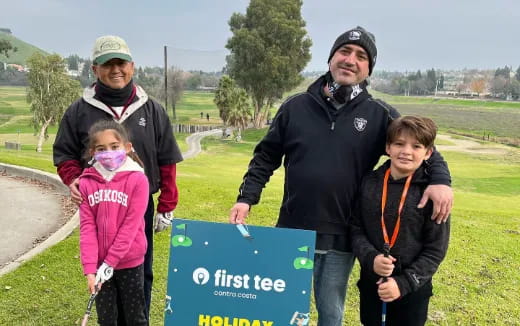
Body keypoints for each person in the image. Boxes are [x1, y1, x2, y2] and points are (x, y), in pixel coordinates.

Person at [228, 26, 453, 326]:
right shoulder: (295, 106)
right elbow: (266, 156)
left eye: (361, 56)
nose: (350, 60)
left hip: (342, 235)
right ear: (331, 58)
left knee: (330, 313)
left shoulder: (379, 114)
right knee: (280, 310)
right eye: (344, 52)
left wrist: (440, 181)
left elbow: (420, 145)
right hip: (293, 230)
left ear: (368, 68)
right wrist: (247, 198)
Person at [53, 35, 183, 320]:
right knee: (104, 272)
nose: (116, 70)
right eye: (107, 64)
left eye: (121, 63)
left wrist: (167, 204)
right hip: (99, 204)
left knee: (140, 269)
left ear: (132, 66)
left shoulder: (152, 109)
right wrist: (73, 179)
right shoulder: (78, 111)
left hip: (139, 204)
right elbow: (64, 154)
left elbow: (167, 158)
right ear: (94, 69)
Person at [350, 116, 450, 326]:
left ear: (428, 153)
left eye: (416, 146)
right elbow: (355, 228)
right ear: (388, 148)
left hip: (413, 291)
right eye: (399, 144)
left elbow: (435, 250)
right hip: (372, 285)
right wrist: (371, 259)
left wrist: (404, 283)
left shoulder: (432, 195)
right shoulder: (369, 183)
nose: (406, 151)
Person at [79, 120, 149, 325]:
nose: (108, 152)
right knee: (107, 319)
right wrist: (91, 270)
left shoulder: (138, 180)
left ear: (127, 148)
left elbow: (131, 226)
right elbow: (87, 228)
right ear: (93, 152)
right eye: (101, 149)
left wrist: (110, 263)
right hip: (100, 266)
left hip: (130, 262)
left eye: (114, 147)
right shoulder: (86, 182)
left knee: (135, 317)